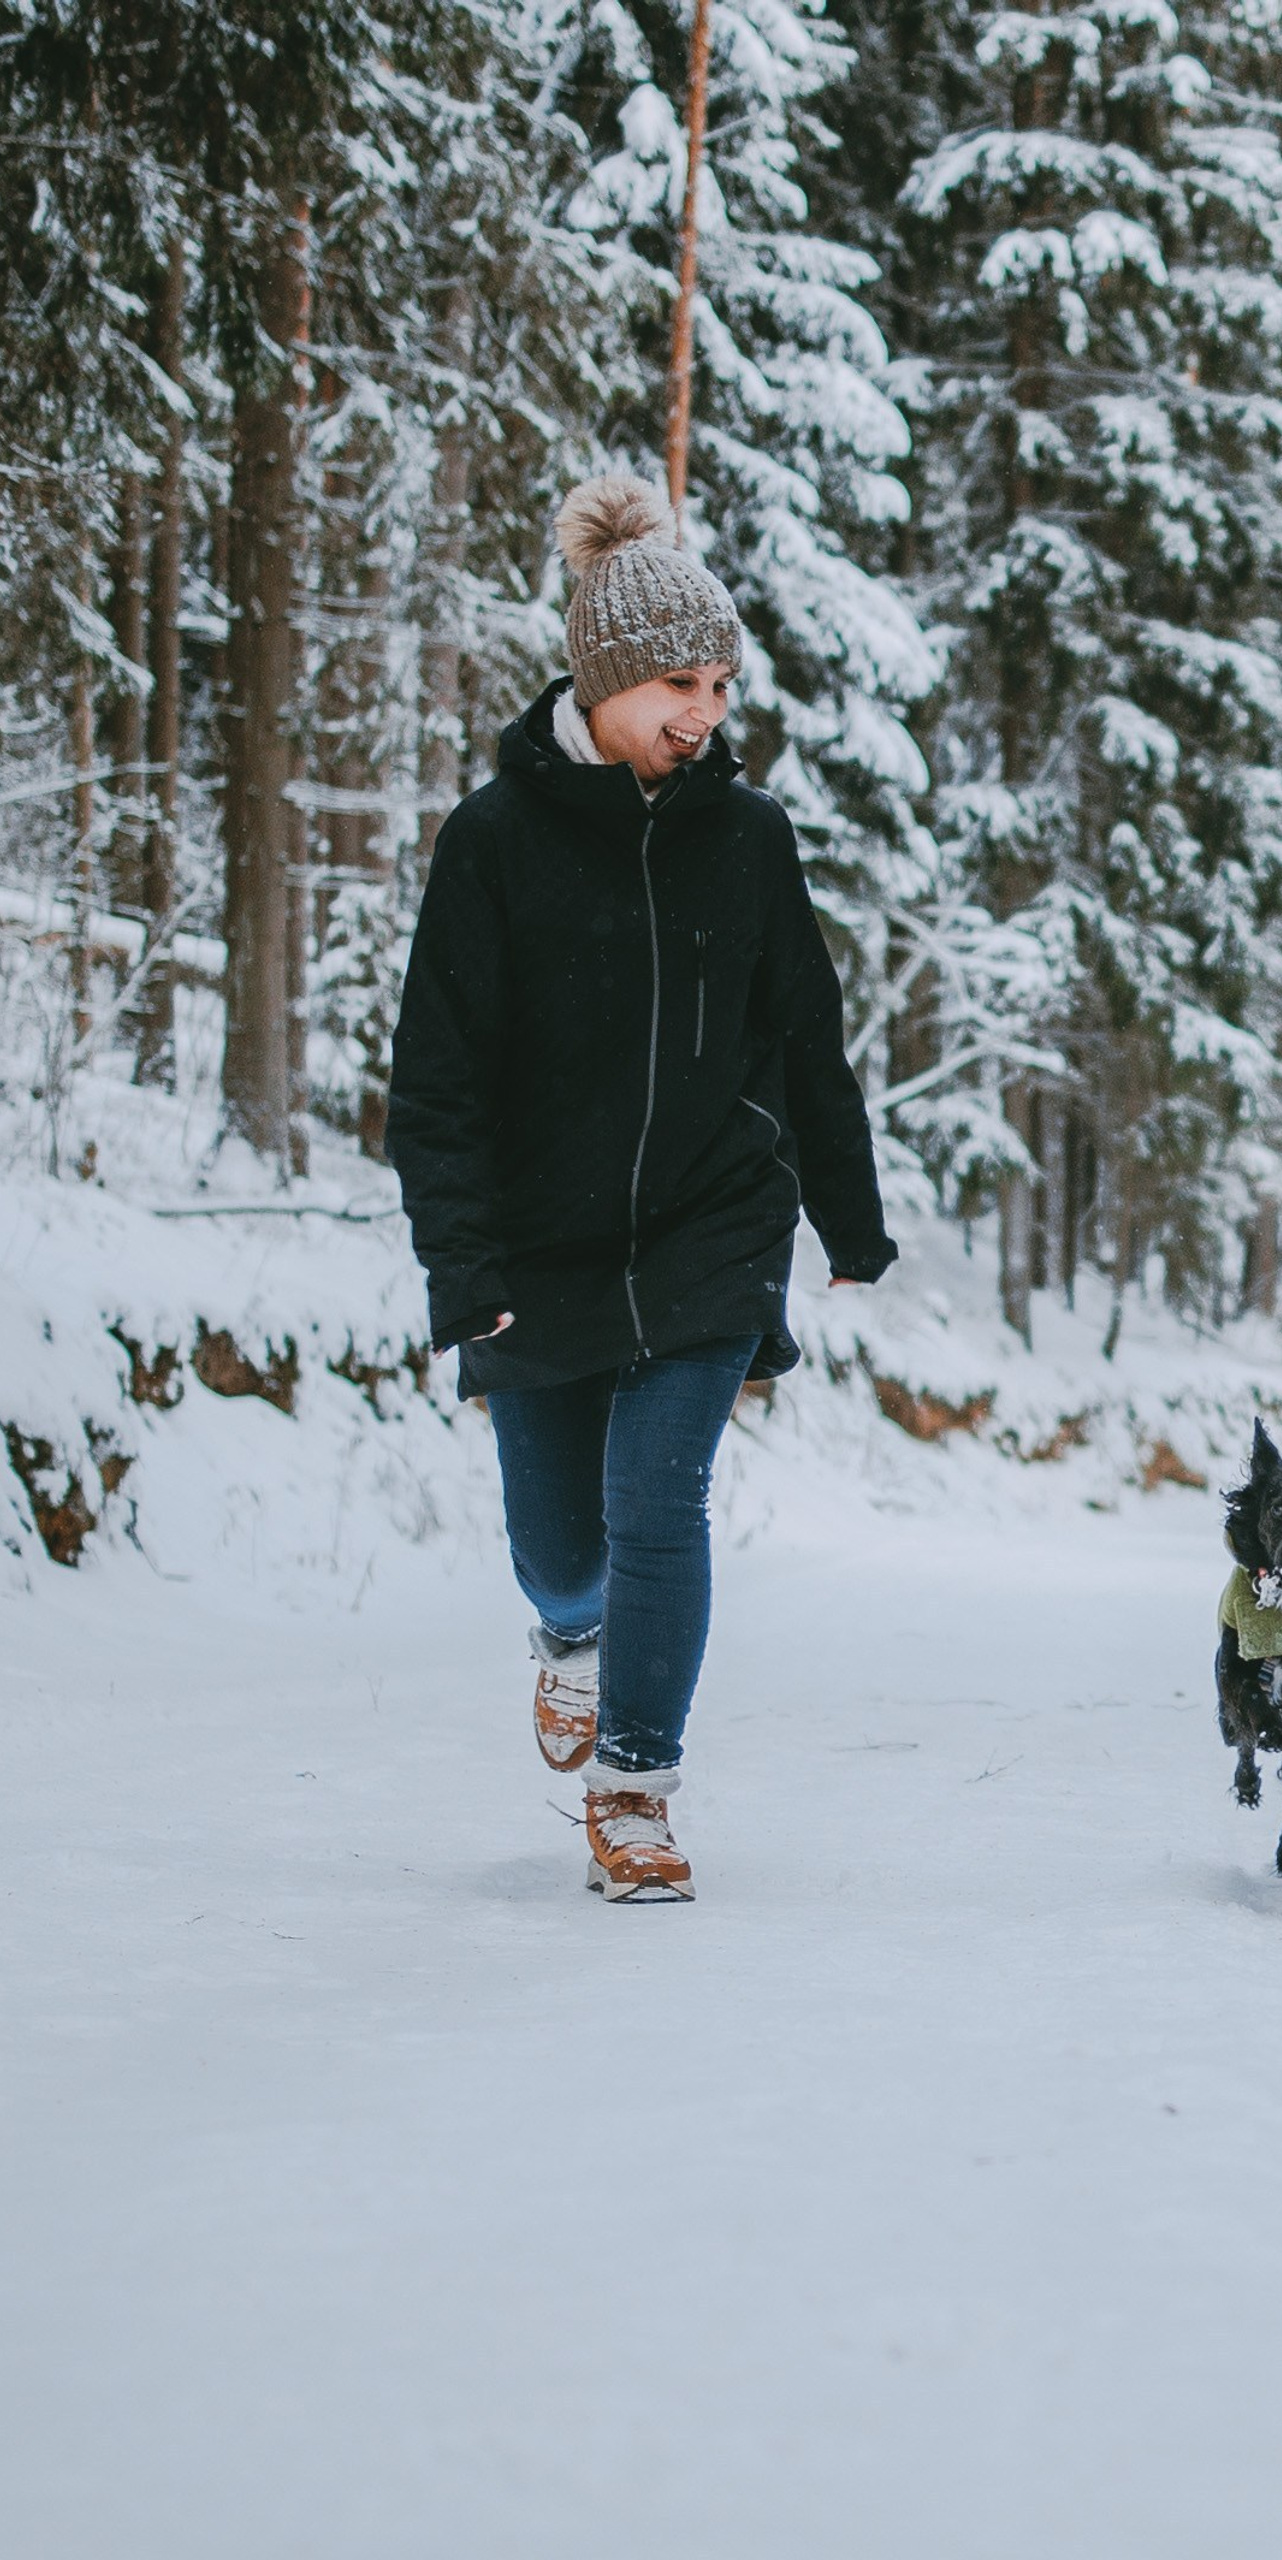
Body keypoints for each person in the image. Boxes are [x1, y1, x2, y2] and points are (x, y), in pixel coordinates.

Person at [387, 475, 897, 1903]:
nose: (706, 710)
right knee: (562, 1551)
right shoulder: (492, 845)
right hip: (537, 1251)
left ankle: (636, 1789)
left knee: (658, 1504)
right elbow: (436, 1084)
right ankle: (569, 1643)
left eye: (723, 682)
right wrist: (461, 1263)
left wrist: (847, 1220)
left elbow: (804, 1039)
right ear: (604, 680)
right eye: (680, 681)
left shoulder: (750, 839)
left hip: (707, 1229)